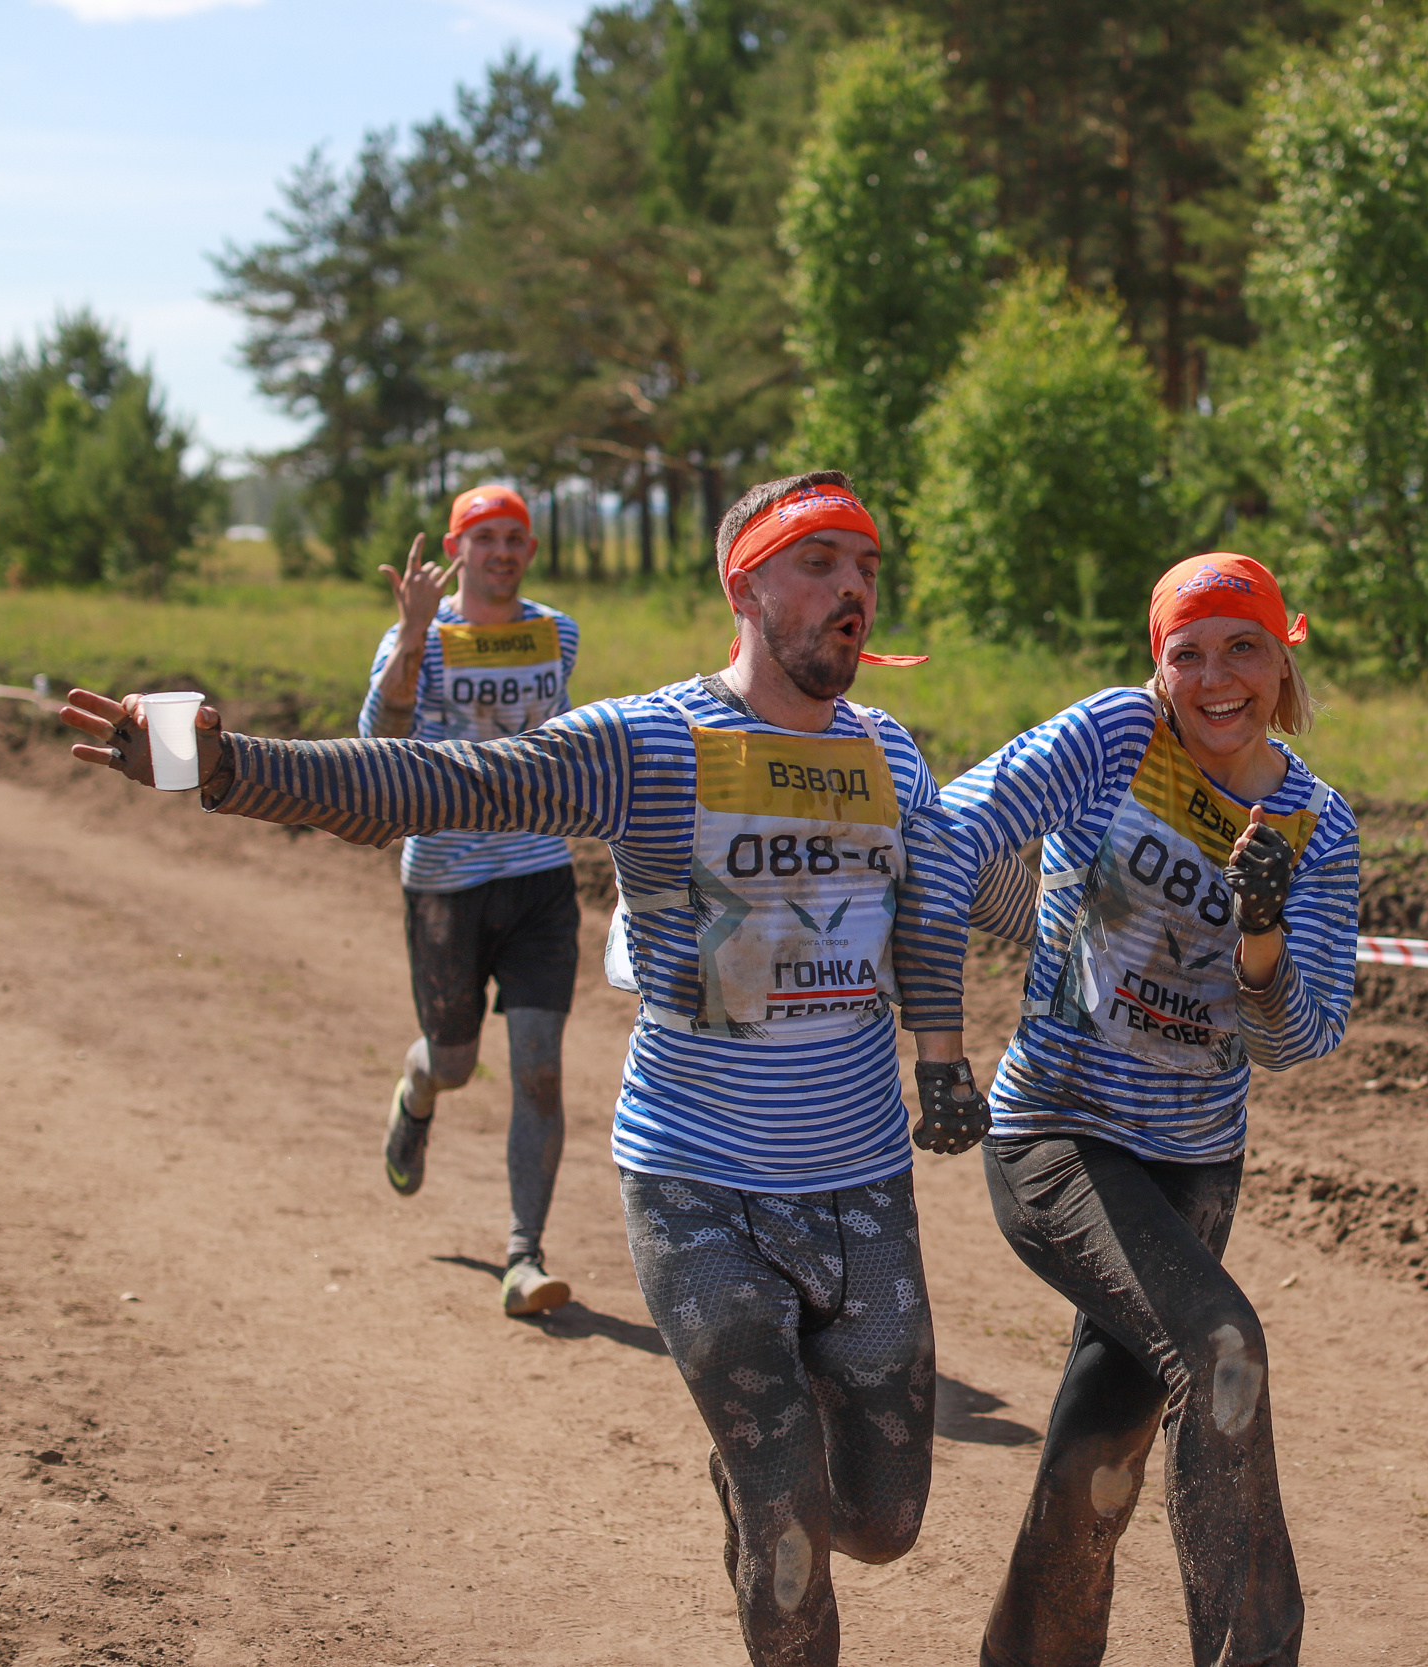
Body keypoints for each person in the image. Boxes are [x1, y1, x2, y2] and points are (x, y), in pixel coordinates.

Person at [61, 472, 991, 1667]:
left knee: (883, 1521)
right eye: (818, 562)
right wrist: (230, 764)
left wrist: (997, 1022)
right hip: (697, 1183)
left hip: (858, 1182)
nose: (852, 588)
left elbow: (951, 899)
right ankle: (763, 1471)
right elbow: (447, 782)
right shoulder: (651, 742)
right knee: (787, 1515)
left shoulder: (890, 754)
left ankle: (760, 1465)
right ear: (745, 586)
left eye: (865, 566)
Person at [907, 552, 1360, 1667]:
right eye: (1187, 653)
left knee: (1099, 1458)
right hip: (1058, 1134)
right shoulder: (1117, 737)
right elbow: (949, 830)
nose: (1216, 678)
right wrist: (969, 992)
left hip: (1195, 1164)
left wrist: (1261, 938)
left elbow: (1297, 1041)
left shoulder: (1318, 821)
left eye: (1242, 647)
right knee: (1223, 1351)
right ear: (1158, 666)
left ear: (1282, 659)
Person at [361, 484, 583, 1318]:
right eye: (484, 538)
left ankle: (524, 1255)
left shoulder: (557, 633)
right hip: (446, 883)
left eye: (514, 537)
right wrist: (415, 634)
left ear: (531, 550)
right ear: (456, 551)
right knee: (453, 1063)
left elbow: (562, 735)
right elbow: (378, 745)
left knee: (540, 1070)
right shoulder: (416, 637)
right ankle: (417, 1093)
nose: (501, 551)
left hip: (539, 877)